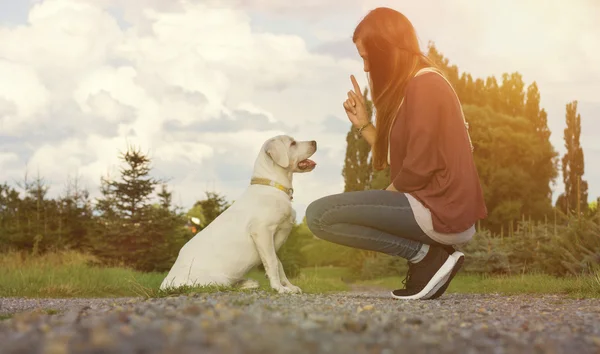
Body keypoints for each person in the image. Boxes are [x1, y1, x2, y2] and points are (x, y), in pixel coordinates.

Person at [305, 7, 488, 300]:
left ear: (386, 50)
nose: (366, 68)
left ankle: (426, 257)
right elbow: (398, 159)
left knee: (320, 215)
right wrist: (364, 123)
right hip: (435, 207)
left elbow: (419, 165)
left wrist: (386, 197)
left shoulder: (425, 84)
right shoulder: (416, 86)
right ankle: (428, 257)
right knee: (322, 215)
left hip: (440, 211)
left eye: (367, 57)